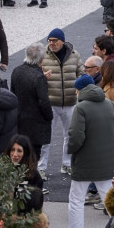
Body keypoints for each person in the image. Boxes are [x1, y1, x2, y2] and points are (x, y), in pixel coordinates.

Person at [57, 75, 114, 228]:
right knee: (109, 200)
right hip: (106, 162)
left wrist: (71, 150)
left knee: (76, 200)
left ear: (80, 90)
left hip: (84, 162)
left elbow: (76, 136)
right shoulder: (109, 104)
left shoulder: (81, 108)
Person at [2, 135, 58, 228]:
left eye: (19, 151)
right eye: (13, 150)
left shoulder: (34, 176)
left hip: (24, 223)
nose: (15, 154)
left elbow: (36, 204)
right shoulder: (1, 170)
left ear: (26, 153)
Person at [39, 28, 84, 174]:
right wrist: (42, 76)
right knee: (45, 136)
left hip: (70, 102)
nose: (51, 43)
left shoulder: (74, 55)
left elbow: (81, 74)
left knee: (70, 136)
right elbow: (33, 75)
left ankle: (66, 164)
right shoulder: (42, 56)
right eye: (49, 40)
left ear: (62, 41)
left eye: (55, 41)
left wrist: (79, 89)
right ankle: (41, 167)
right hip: (50, 103)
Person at [10, 43, 53, 160]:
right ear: (42, 58)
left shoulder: (16, 71)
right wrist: (49, 116)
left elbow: (13, 94)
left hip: (20, 121)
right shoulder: (39, 78)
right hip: (36, 124)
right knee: (33, 158)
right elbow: (44, 101)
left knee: (21, 155)